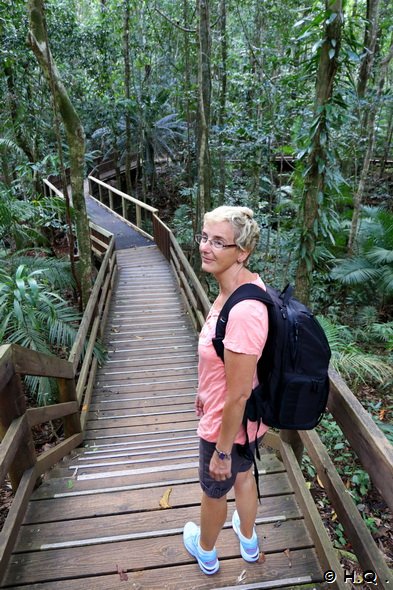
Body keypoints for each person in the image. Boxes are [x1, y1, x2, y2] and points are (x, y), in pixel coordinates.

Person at [183, 205, 269, 575]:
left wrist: (220, 451)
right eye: (204, 237)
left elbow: (237, 395)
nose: (206, 247)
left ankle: (206, 551)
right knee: (245, 476)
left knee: (216, 489)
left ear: (242, 252)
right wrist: (205, 387)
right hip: (246, 421)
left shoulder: (245, 311)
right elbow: (226, 360)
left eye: (219, 242)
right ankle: (248, 542)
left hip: (227, 425)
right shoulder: (237, 287)